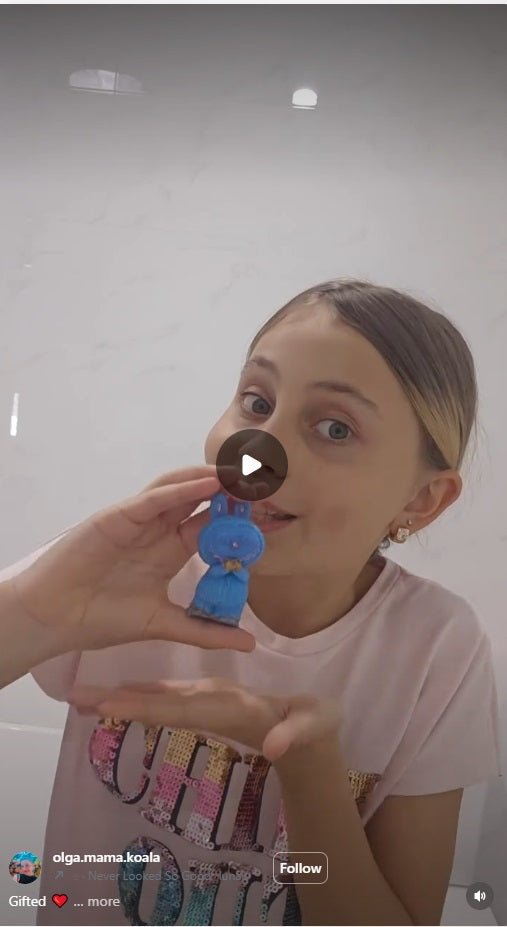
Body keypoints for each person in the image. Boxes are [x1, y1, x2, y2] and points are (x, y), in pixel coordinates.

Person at [3, 278, 502, 927]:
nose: (257, 449)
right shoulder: (120, 573)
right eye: (255, 400)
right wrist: (41, 614)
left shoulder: (437, 646)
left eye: (333, 427)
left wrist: (309, 769)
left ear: (420, 499)